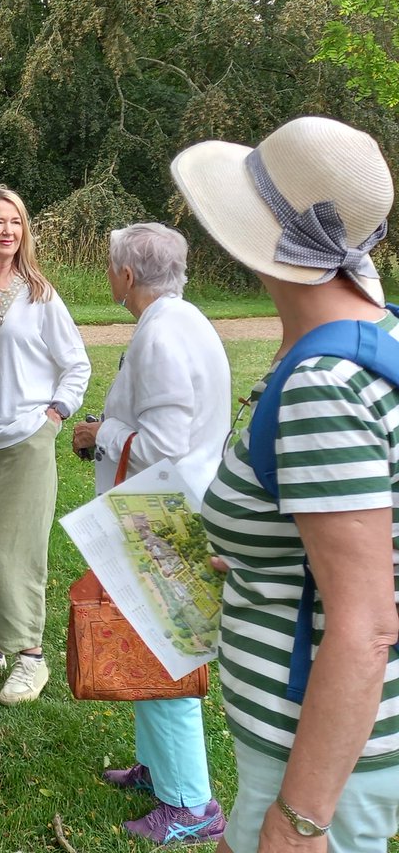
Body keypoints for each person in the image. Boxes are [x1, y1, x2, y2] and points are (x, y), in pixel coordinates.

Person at [171, 115, 399, 853]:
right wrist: (266, 557)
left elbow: (365, 627)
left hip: (316, 761)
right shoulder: (379, 336)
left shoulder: (323, 387)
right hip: (341, 750)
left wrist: (299, 821)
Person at [70, 223, 230, 845]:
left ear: (128, 277)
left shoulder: (161, 334)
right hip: (171, 506)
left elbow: (163, 444)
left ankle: (190, 803)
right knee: (150, 647)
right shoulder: (183, 319)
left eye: (110, 268)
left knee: (166, 659)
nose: (109, 277)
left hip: (163, 514)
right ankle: (160, 769)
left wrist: (97, 437)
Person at [0, 185, 90, 704]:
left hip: (27, 437)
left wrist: (54, 414)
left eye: (17, 223)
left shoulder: (40, 296)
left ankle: (30, 655)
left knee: (10, 549)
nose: (8, 231)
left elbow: (77, 364)